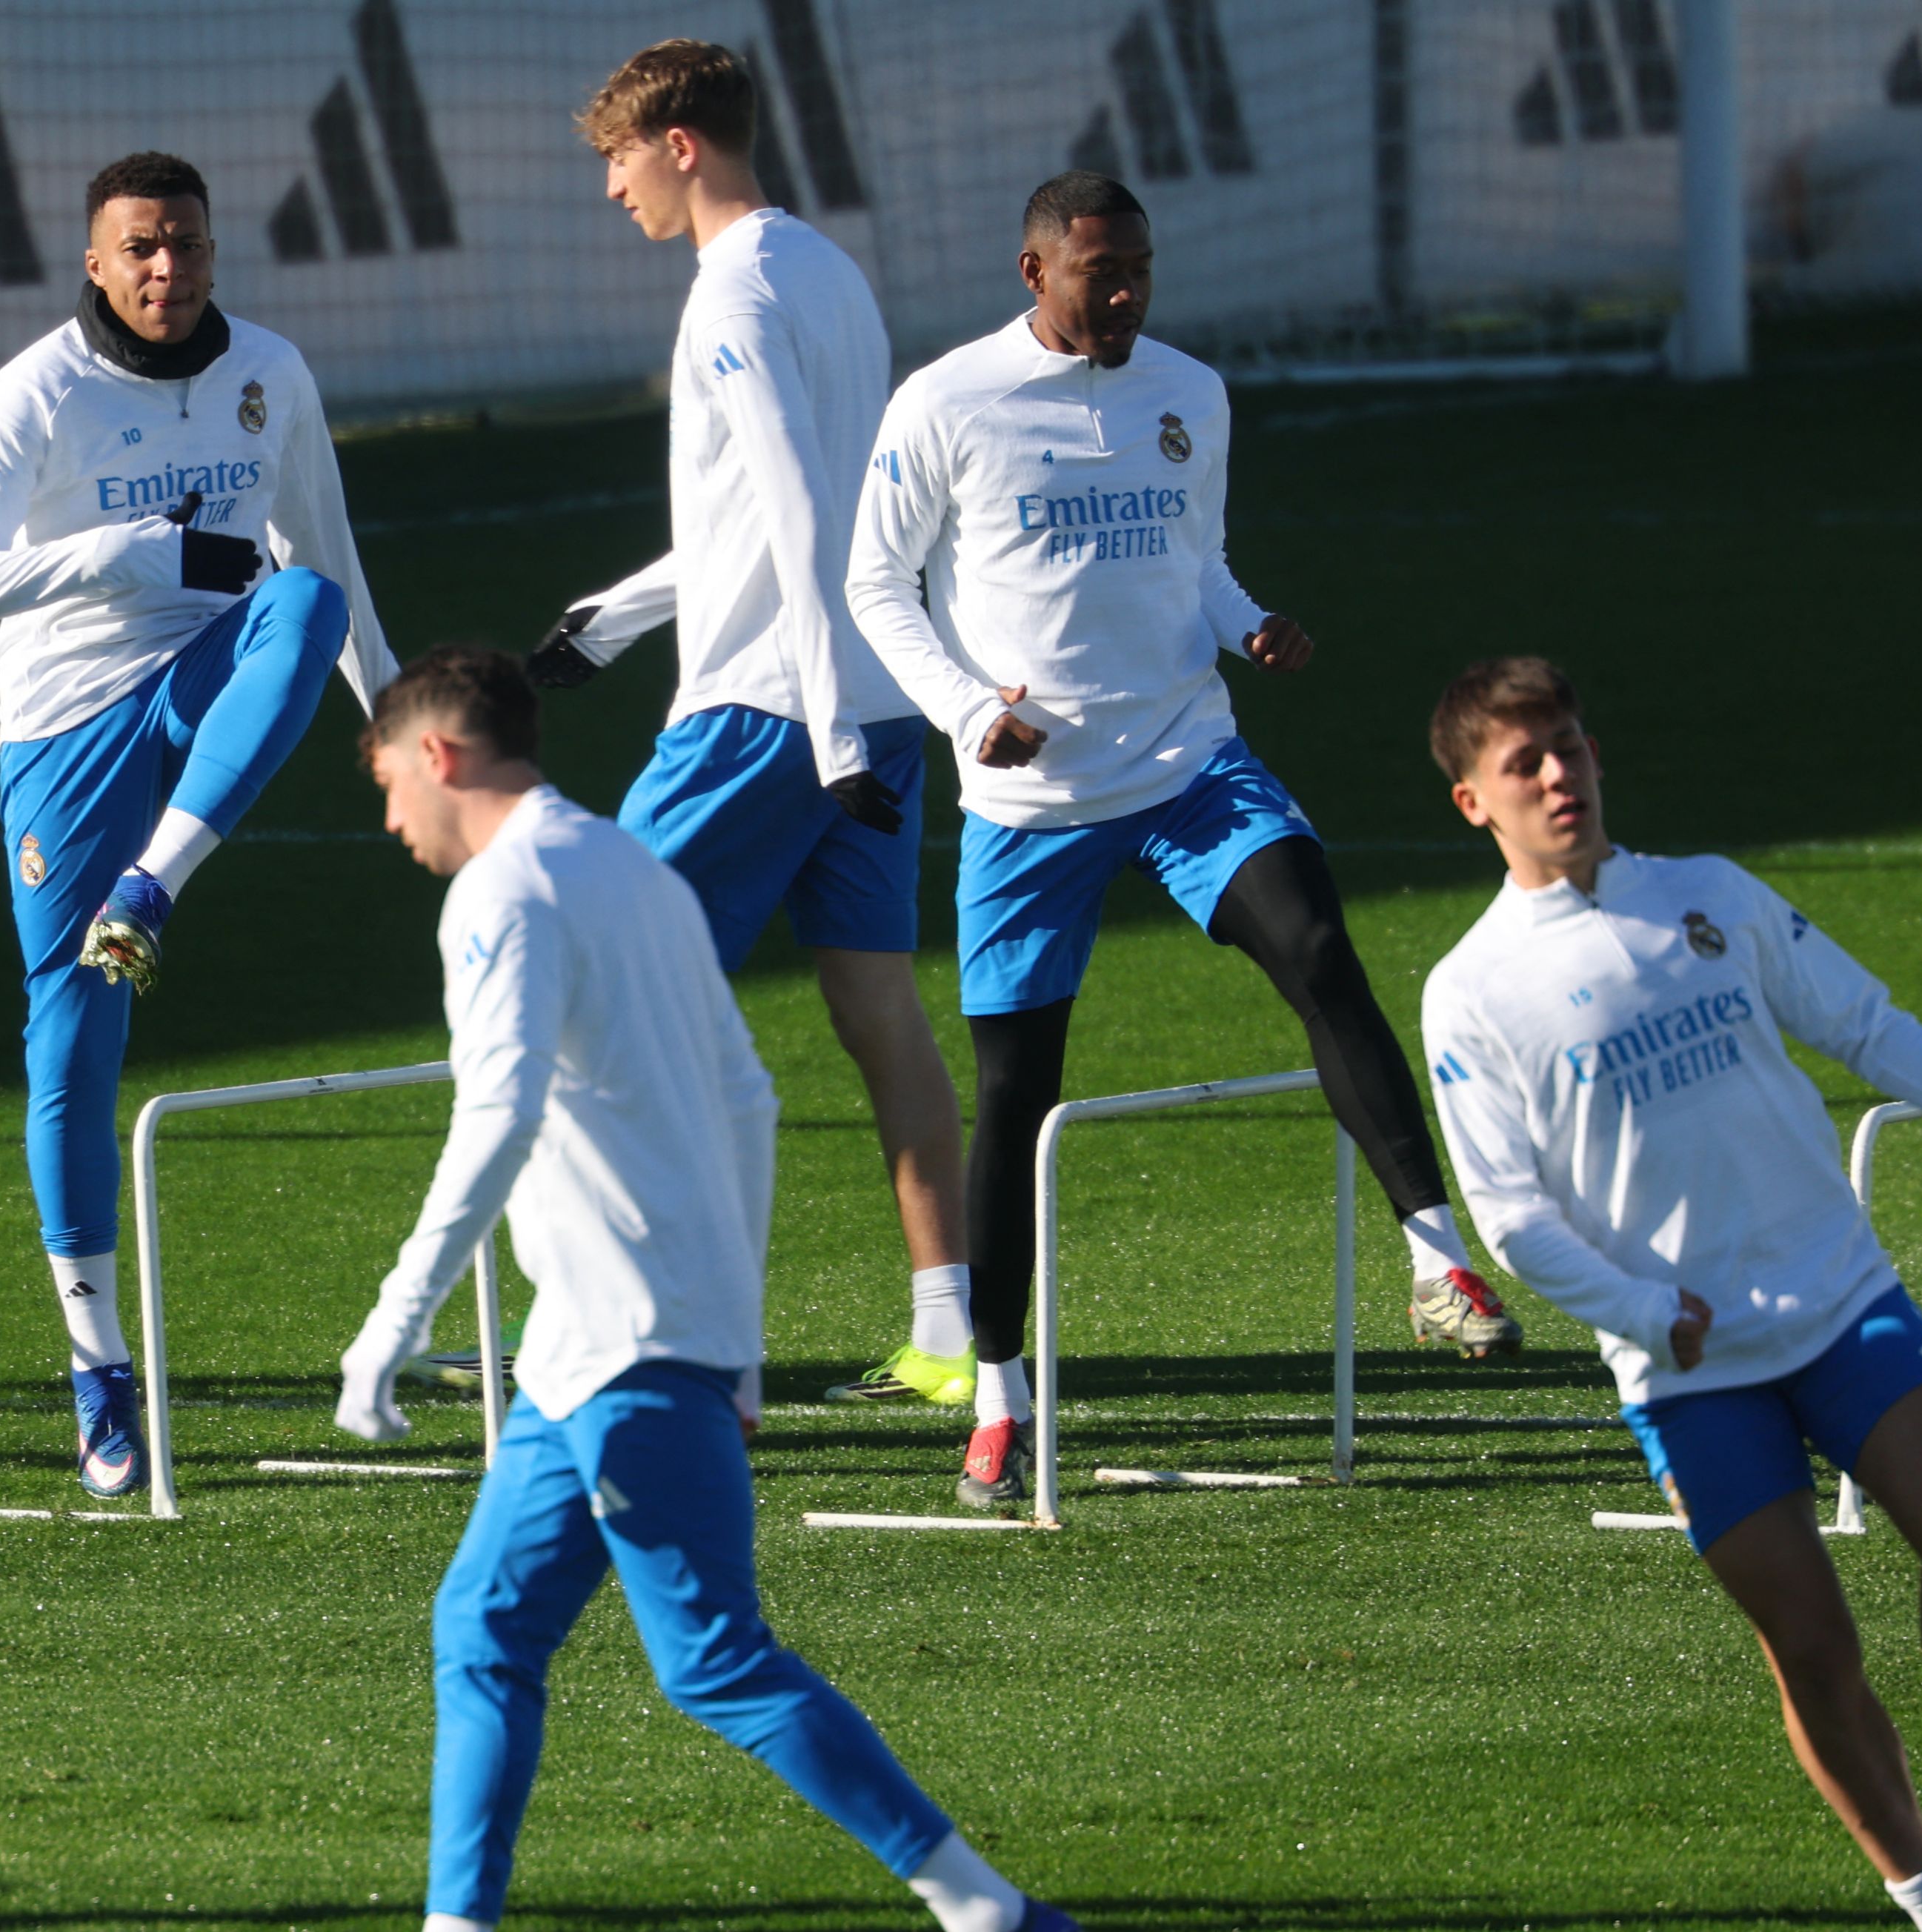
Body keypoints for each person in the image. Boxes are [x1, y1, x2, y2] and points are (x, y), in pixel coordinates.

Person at [336, 647, 1063, 1932]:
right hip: (589, 1355)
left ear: (439, 758)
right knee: (481, 1630)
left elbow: (497, 1112)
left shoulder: (499, 897)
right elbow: (750, 1099)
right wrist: (733, 1345)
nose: (389, 823)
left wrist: (396, 1321)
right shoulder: (629, 866)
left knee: (715, 1660)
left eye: (388, 784)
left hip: (627, 1354)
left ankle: (981, 1906)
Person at [844, 169, 1520, 1510]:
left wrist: (1247, 621)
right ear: (1035, 271)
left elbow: (1197, 560)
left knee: (1320, 946)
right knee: (1019, 1098)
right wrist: (970, 709)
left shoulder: (1189, 393)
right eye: (1103, 273)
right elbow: (874, 582)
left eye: (1142, 268)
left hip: (1191, 765)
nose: (1129, 294)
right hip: (1030, 810)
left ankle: (1438, 1258)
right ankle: (996, 1394)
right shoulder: (945, 404)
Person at [1420, 657, 1922, 1932]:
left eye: (1569, 744)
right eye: (1527, 764)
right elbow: (1510, 1216)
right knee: (1812, 1646)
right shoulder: (1470, 992)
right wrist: (1640, 1311)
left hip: (1841, 1297)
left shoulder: (1709, 898)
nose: (1561, 775)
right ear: (1476, 804)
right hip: (1686, 1369)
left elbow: (1862, 1022)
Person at [0, 150, 394, 1497]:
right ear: (95, 261)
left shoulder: (272, 376)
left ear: (212, 247)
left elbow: (328, 557)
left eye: (184, 242)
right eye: (139, 248)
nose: (165, 269)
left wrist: (400, 722)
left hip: (210, 687)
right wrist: (133, 554)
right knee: (71, 1033)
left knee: (302, 606)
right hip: (67, 729)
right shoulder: (41, 391)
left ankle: (158, 884)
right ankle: (97, 1367)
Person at [525, 42, 974, 1411]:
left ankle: (656, 1340)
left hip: (772, 716)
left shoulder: (731, 292)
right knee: (875, 1005)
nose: (610, 188)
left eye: (617, 157)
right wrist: (619, 615)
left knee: (605, 998)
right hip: (868, 703)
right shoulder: (827, 271)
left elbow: (792, 508)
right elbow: (800, 512)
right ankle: (951, 1333)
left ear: (679, 145)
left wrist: (826, 729)